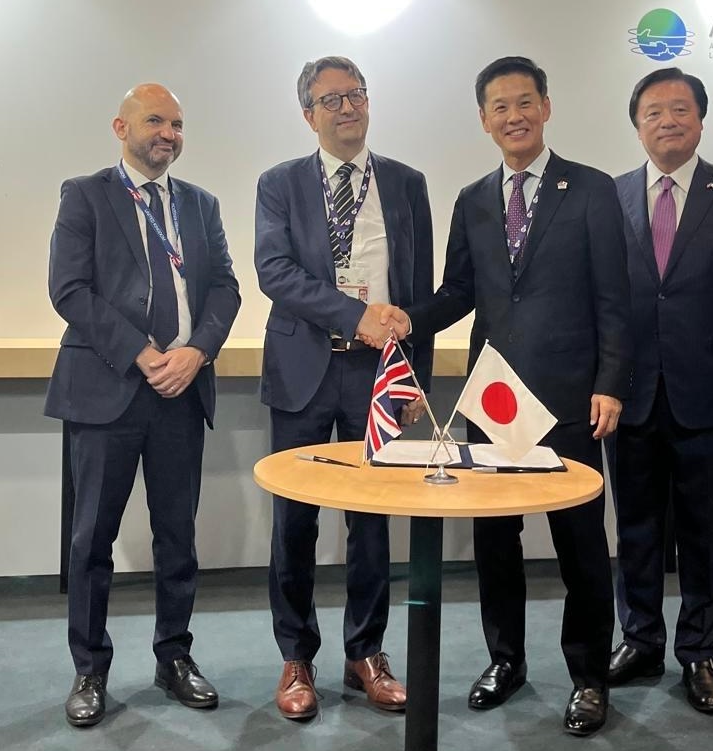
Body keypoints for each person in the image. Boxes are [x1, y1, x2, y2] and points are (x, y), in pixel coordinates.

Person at [384, 56, 631, 736]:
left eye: (525, 102)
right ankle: (506, 660)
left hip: (572, 399)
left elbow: (616, 297)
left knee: (581, 544)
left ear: (546, 107)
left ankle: (588, 676)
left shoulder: (591, 189)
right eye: (500, 106)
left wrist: (611, 383)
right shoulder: (472, 199)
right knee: (495, 541)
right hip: (492, 399)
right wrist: (408, 320)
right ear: (484, 119)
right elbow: (460, 292)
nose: (514, 116)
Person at [45, 83, 241, 727]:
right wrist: (141, 353)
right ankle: (90, 668)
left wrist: (198, 352)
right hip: (108, 389)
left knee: (177, 536)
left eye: (177, 124)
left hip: (181, 392)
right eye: (155, 120)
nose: (168, 134)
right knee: (91, 540)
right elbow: (69, 289)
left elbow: (225, 288)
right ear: (121, 126)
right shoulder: (86, 195)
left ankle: (174, 657)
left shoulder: (200, 204)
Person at [254, 55, 434, 720]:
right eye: (331, 99)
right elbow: (274, 271)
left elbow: (418, 291)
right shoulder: (279, 184)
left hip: (376, 375)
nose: (347, 107)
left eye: (356, 94)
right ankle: (296, 655)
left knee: (372, 522)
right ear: (309, 115)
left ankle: (367, 653)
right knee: (294, 522)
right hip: (303, 369)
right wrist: (354, 314)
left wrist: (414, 378)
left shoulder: (407, 183)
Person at [607, 67, 713, 715]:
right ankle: (640, 640)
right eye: (653, 111)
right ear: (637, 126)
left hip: (709, 393)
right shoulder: (611, 196)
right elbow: (600, 298)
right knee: (637, 527)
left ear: (701, 120)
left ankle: (700, 652)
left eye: (680, 109)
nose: (667, 121)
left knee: (706, 530)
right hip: (630, 395)